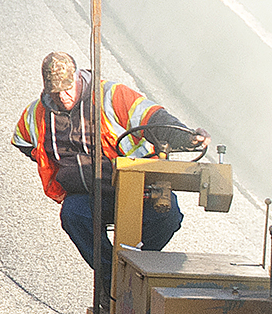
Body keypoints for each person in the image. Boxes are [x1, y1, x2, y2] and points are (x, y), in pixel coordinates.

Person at [11, 51, 204, 272]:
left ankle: (135, 268)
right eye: (56, 92)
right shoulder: (36, 114)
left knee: (167, 217)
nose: (63, 97)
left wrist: (187, 138)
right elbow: (22, 140)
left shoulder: (111, 95)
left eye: (67, 89)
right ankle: (109, 275)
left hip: (137, 190)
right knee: (73, 215)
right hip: (90, 197)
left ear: (76, 78)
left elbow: (153, 119)